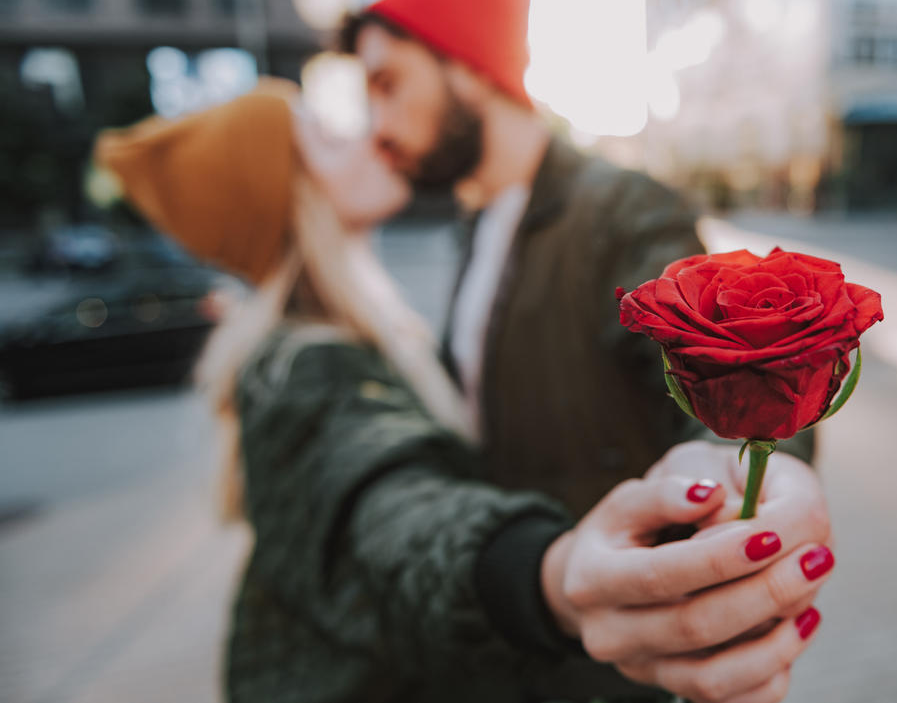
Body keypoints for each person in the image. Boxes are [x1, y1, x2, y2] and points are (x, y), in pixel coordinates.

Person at [95, 77, 834, 703]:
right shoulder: (294, 363)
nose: (370, 133)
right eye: (327, 134)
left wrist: (752, 451)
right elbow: (392, 515)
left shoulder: (379, 310)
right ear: (286, 194)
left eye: (382, 89)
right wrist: (548, 575)